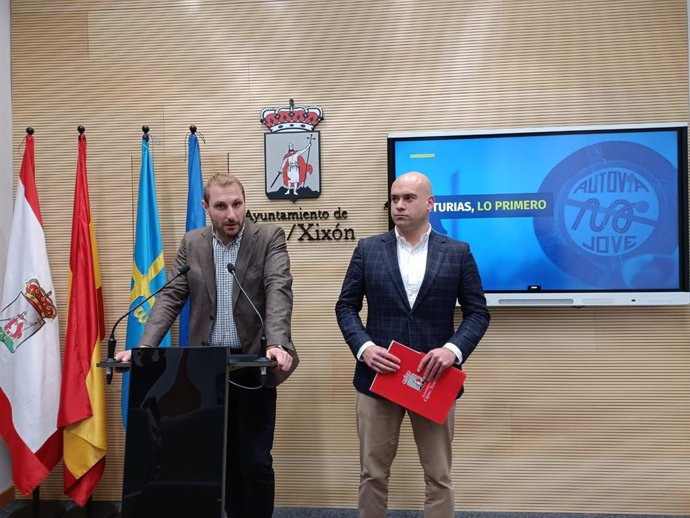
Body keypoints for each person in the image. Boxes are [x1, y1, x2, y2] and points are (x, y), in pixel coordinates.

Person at [116, 172, 298, 518]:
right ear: (205, 207)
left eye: (237, 204)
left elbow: (279, 289)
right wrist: (144, 347)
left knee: (255, 460)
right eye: (221, 206)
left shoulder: (268, 237)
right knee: (221, 459)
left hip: (255, 364)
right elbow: (171, 296)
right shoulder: (193, 243)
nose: (231, 214)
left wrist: (277, 342)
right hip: (208, 367)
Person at [335, 171, 490, 518]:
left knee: (438, 476)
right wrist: (365, 348)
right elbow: (345, 307)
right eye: (394, 199)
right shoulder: (368, 249)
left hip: (434, 380)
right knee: (372, 473)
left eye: (408, 198)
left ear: (430, 203)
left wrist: (451, 351)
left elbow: (477, 313)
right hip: (378, 379)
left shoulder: (458, 253)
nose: (399, 206)